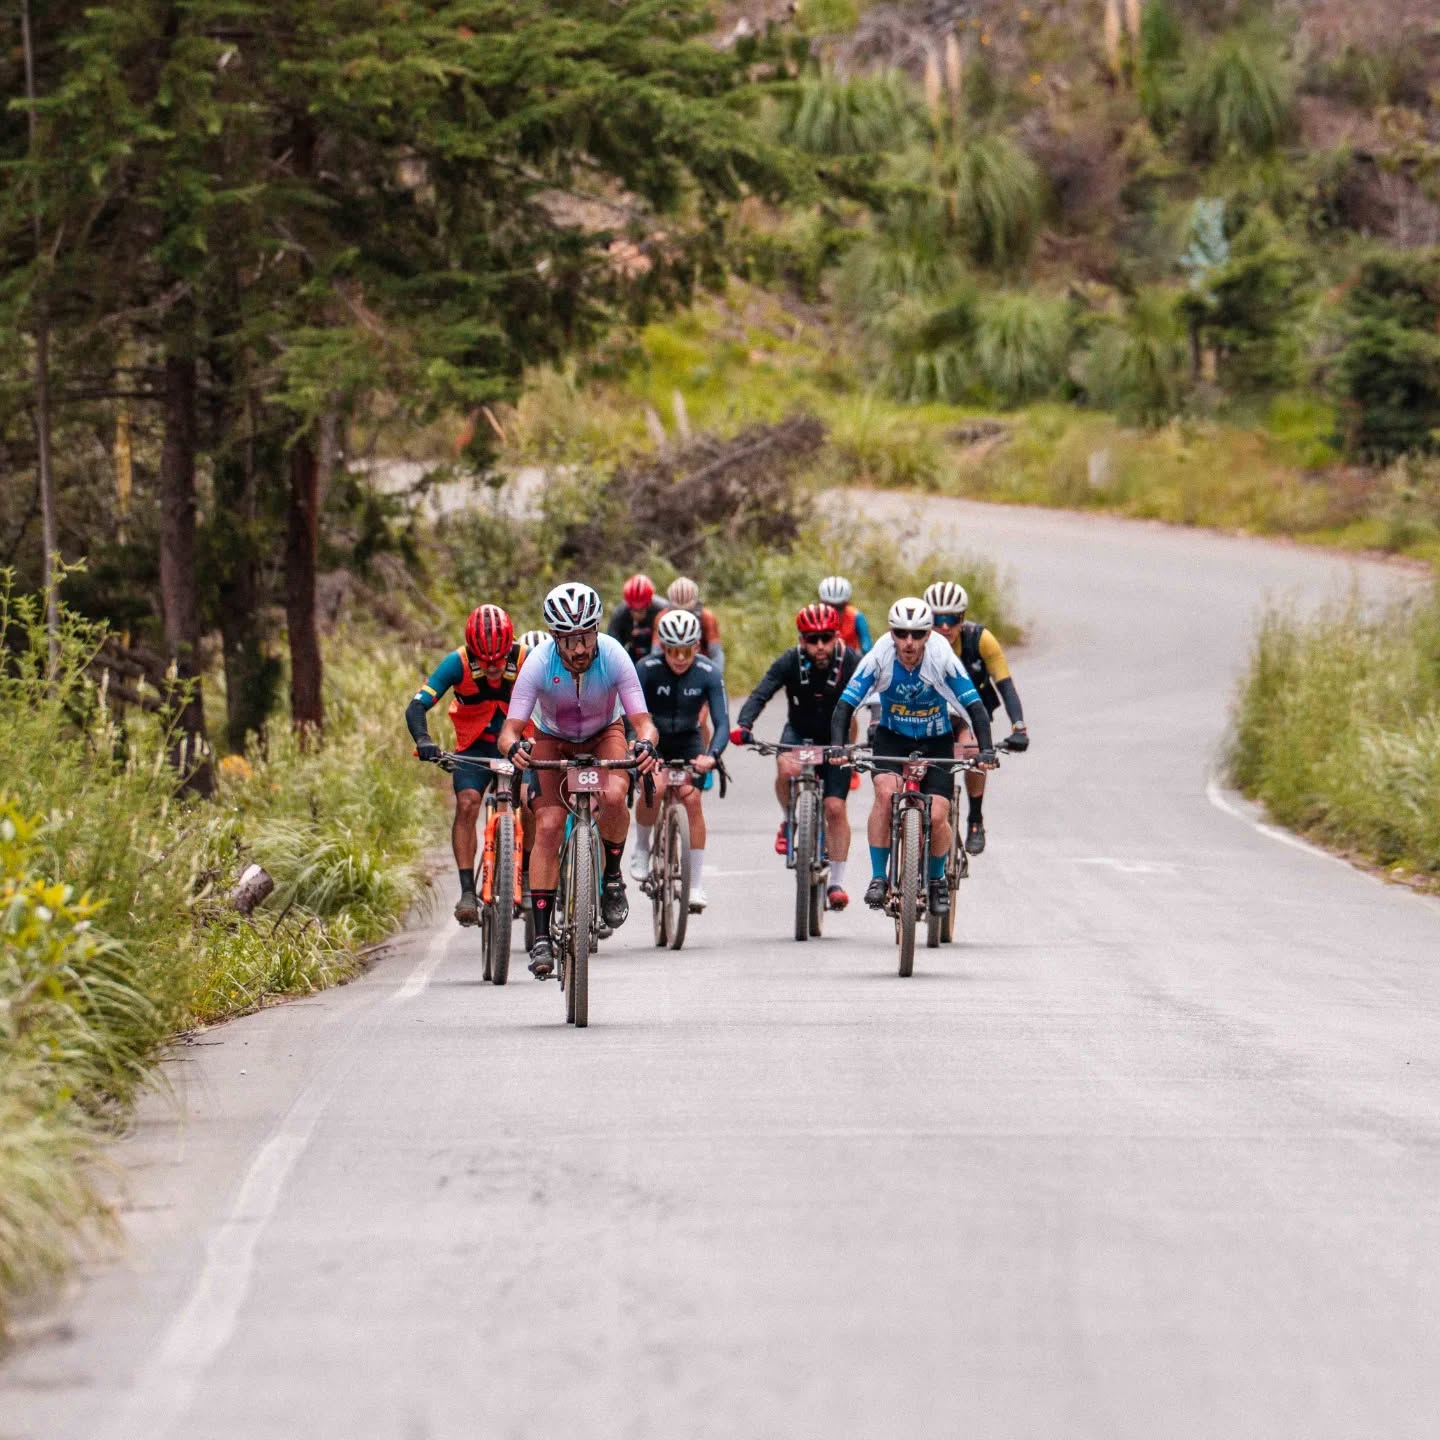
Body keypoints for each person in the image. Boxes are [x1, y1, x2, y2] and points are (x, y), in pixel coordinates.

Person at [497, 582, 659, 978]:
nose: (580, 649)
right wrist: (514, 748)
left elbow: (643, 723)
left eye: (585, 637)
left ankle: (612, 875)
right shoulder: (537, 663)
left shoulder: (615, 654)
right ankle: (539, 936)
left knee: (616, 795)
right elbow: (510, 730)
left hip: (605, 731)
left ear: (596, 630)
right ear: (554, 639)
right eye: (569, 641)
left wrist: (647, 745)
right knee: (549, 825)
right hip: (552, 738)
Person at [829, 597, 996, 917]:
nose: (909, 642)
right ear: (892, 633)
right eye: (901, 634)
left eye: (917, 635)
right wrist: (838, 745)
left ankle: (936, 880)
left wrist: (985, 750)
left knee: (936, 815)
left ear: (928, 634)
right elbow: (845, 704)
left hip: (936, 739)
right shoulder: (880, 655)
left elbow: (974, 706)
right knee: (884, 794)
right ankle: (879, 877)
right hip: (892, 737)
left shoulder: (941, 657)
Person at [731, 603, 859, 910]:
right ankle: (789, 820)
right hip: (799, 732)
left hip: (835, 740)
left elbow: (874, 694)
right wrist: (744, 724)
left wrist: (878, 726)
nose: (818, 646)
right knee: (786, 768)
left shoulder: (851, 661)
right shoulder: (790, 660)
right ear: (801, 639)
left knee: (835, 808)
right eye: (810, 639)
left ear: (836, 636)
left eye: (825, 638)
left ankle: (837, 882)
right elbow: (762, 692)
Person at [407, 605, 529, 927]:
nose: (491, 667)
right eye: (483, 661)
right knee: (467, 803)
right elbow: (418, 705)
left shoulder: (527, 658)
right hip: (474, 747)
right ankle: (466, 892)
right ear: (473, 652)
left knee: (533, 800)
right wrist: (423, 741)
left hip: (520, 744)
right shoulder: (457, 662)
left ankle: (529, 873)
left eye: (499, 660)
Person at [631, 608, 729, 911]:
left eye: (686, 651)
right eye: (673, 650)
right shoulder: (646, 668)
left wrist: (711, 756)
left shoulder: (709, 672)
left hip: (688, 741)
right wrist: (635, 744)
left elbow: (722, 721)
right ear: (663, 647)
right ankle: (642, 847)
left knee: (693, 800)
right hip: (654, 739)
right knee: (656, 789)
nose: (680, 658)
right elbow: (627, 712)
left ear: (696, 647)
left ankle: (695, 885)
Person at [924, 580, 1028, 856]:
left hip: (970, 716)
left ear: (963, 619)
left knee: (973, 750)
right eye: (937, 619)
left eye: (952, 619)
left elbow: (1005, 684)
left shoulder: (981, 639)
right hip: (928, 716)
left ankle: (975, 818)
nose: (944, 627)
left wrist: (1019, 726)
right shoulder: (914, 642)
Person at [658, 575, 724, 672]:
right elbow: (656, 651)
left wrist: (716, 677)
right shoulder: (661, 618)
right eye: (677, 610)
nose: (682, 616)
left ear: (695, 604)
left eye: (687, 610)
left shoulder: (707, 617)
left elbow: (716, 653)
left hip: (699, 667)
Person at [608, 573, 666, 663]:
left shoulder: (662, 610)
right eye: (634, 610)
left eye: (641, 610)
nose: (637, 614)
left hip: (659, 655)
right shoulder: (620, 614)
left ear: (649, 604)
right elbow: (612, 648)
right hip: (632, 654)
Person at [819, 575, 872, 655]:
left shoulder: (856, 617)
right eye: (829, 606)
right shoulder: (813, 618)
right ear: (821, 603)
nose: (834, 612)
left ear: (847, 603)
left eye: (839, 607)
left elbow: (867, 645)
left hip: (849, 661)